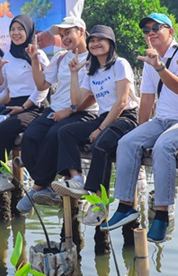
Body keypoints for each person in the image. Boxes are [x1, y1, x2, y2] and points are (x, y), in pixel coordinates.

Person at [103, 13, 178, 243]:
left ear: (170, 32)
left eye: (156, 28)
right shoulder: (150, 60)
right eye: (146, 30)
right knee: (127, 142)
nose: (150, 33)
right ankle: (125, 206)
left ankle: (161, 213)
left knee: (164, 145)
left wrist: (160, 66)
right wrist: (140, 131)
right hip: (163, 121)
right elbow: (147, 99)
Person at [52, 25, 139, 216]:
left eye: (101, 40)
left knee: (101, 143)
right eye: (92, 40)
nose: (95, 43)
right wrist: (74, 73)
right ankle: (77, 179)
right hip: (105, 117)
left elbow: (122, 102)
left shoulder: (120, 64)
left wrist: (100, 129)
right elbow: (76, 102)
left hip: (126, 118)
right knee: (65, 131)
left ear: (111, 43)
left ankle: (98, 201)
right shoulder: (91, 70)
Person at [14, 17, 98, 211]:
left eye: (68, 32)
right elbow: (42, 84)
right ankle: (45, 184)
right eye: (62, 34)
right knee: (31, 136)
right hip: (55, 109)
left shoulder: (94, 57)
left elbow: (94, 94)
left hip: (82, 111)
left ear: (81, 31)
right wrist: (34, 59)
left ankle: (38, 187)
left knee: (55, 135)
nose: (64, 38)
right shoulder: (61, 57)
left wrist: (70, 110)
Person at [0, 15, 49, 194]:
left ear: (28, 31)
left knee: (5, 128)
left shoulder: (38, 54)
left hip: (35, 105)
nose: (16, 33)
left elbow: (44, 86)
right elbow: (1, 86)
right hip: (14, 103)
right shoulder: (8, 56)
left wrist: (24, 107)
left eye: (20, 29)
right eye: (12, 29)